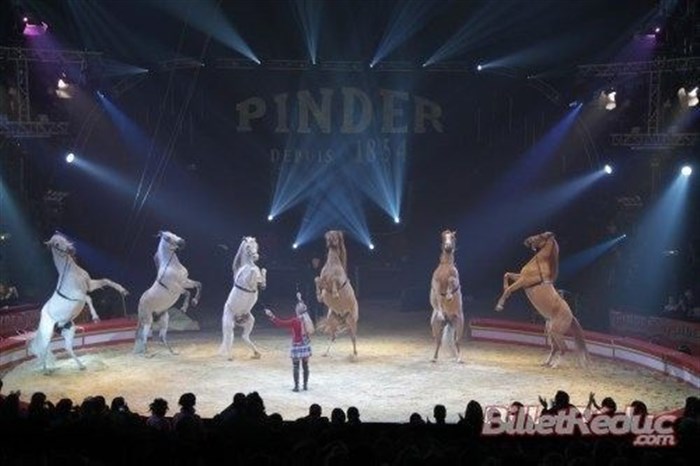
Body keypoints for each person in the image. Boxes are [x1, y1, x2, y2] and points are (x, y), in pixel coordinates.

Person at [265, 292, 314, 392]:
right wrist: (299, 298)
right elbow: (303, 308)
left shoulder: (294, 321)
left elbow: (280, 323)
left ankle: (296, 387)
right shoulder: (307, 318)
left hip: (297, 345)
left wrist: (271, 315)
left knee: (296, 366)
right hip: (305, 345)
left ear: (297, 310)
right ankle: (305, 386)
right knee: (305, 366)